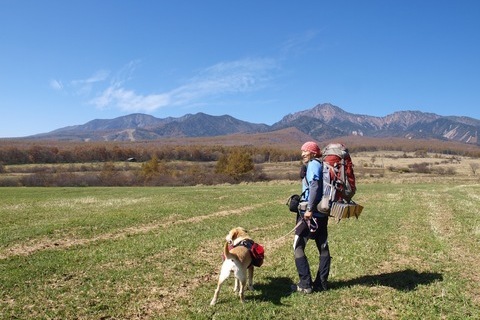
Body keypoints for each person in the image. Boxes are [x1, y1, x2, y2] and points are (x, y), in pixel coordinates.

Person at [291, 141, 331, 294]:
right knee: (323, 245)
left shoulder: (314, 164)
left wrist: (309, 209)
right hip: (322, 213)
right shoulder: (320, 164)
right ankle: (321, 283)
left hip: (310, 212)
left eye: (306, 151)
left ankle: (305, 284)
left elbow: (314, 185)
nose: (302, 154)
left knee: (298, 246)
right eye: (302, 151)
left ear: (313, 153)